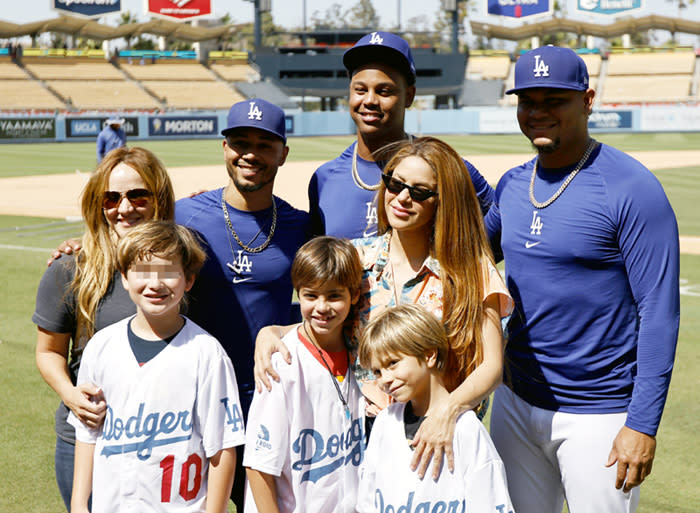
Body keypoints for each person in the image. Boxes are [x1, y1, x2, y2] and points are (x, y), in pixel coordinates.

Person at [484, 46, 680, 513]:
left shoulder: (631, 188)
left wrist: (643, 425)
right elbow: (464, 256)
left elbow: (659, 311)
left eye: (555, 100)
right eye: (528, 101)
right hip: (514, 400)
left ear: (588, 100)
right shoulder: (512, 184)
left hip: (600, 413)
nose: (538, 113)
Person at [256, 137, 513, 480]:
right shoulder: (356, 258)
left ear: (443, 201)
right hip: (364, 438)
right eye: (395, 184)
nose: (403, 197)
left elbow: (491, 367)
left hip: (440, 437)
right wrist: (272, 332)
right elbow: (325, 320)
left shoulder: (471, 270)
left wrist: (446, 413)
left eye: (420, 192)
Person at [174, 98, 310, 509]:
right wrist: (78, 247)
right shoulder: (183, 215)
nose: (251, 153)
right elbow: (131, 259)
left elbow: (321, 303)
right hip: (195, 396)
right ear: (225, 148)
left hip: (268, 396)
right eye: (239, 142)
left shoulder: (300, 226)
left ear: (283, 153)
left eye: (265, 144)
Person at [33, 146, 175, 512]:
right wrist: (70, 394)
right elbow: (49, 351)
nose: (123, 208)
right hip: (89, 442)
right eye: (110, 198)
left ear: (158, 197)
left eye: (137, 195)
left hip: (166, 441)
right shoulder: (70, 269)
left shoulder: (181, 263)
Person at [69, 220, 244, 513]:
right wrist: (78, 504)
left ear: (188, 280)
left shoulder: (206, 353)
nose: (155, 283)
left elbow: (223, 448)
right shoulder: (101, 347)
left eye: (168, 273)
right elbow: (88, 433)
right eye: (142, 272)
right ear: (124, 277)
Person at [308, 31, 494, 239]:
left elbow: (501, 226)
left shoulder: (446, 168)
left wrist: (462, 265)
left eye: (384, 91)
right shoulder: (324, 179)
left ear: (409, 96)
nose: (369, 100)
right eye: (360, 90)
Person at [244, 236, 365, 513]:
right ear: (298, 293)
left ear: (354, 294)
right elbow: (259, 465)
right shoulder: (281, 363)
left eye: (334, 296)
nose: (322, 307)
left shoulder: (364, 356)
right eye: (311, 296)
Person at [356, 304, 513, 513]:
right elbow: (367, 503)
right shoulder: (385, 423)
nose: (385, 379)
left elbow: (490, 503)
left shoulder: (466, 429)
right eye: (377, 371)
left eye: (393, 363)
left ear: (429, 355)